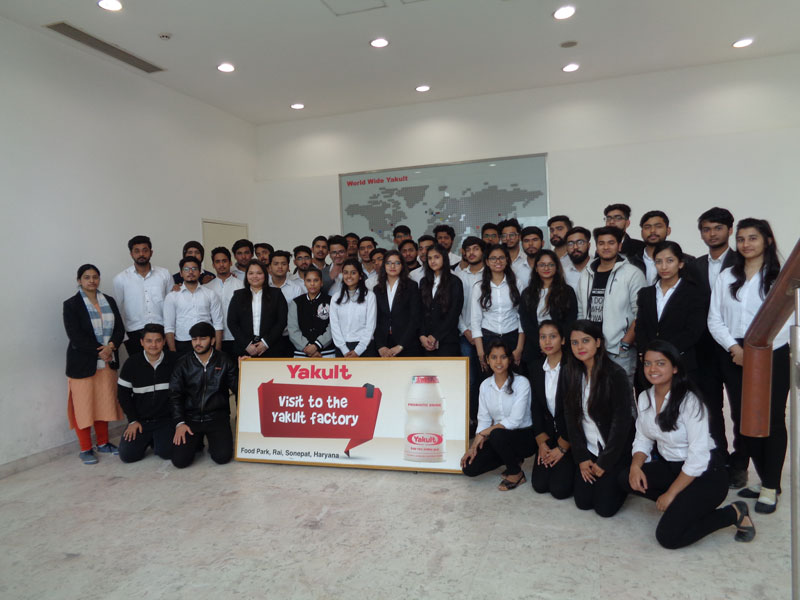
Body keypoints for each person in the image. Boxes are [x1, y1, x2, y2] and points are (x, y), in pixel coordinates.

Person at [622, 340, 755, 548]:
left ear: (675, 368)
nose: (652, 369)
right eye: (647, 363)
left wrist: (671, 494)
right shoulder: (645, 397)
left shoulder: (690, 401)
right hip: (673, 467)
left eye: (660, 363)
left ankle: (733, 513)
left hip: (706, 474)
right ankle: (683, 504)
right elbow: (643, 437)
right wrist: (635, 466)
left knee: (668, 537)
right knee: (625, 478)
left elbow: (697, 458)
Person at [708, 218, 791, 511]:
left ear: (767, 240)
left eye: (753, 238)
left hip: (772, 353)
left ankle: (770, 485)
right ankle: (766, 479)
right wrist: (734, 348)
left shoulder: (781, 278)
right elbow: (714, 318)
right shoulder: (727, 276)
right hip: (734, 353)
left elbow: (788, 320)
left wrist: (755, 353)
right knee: (745, 421)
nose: (746, 244)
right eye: (741, 239)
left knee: (772, 419)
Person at [686, 207, 738, 483]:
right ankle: (719, 459)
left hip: (735, 347)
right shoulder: (695, 266)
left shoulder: (742, 262)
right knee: (711, 408)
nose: (712, 234)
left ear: (730, 230)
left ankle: (740, 463)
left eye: (718, 228)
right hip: (704, 349)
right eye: (706, 229)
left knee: (740, 408)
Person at [562, 320, 634, 517]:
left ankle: (622, 477)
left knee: (604, 509)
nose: (580, 347)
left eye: (585, 341)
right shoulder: (569, 372)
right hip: (589, 449)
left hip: (613, 451)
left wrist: (605, 462)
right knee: (583, 502)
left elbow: (622, 424)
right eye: (575, 342)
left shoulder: (615, 374)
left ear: (598, 342)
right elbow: (570, 417)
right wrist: (582, 458)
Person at [63, 264, 125, 464]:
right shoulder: (71, 304)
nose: (92, 280)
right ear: (79, 280)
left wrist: (111, 347)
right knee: (83, 407)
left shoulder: (109, 301)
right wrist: (102, 350)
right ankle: (85, 448)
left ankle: (103, 443)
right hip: (83, 364)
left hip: (106, 364)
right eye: (87, 277)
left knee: (103, 403)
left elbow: (119, 328)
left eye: (95, 277)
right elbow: (75, 336)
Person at [461, 339, 535, 490]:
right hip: (499, 438)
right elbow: (483, 419)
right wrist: (473, 447)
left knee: (496, 434)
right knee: (469, 468)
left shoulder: (522, 383)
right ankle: (511, 459)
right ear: (487, 360)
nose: (499, 362)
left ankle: (516, 473)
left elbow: (514, 421)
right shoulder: (485, 385)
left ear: (510, 359)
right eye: (494, 357)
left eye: (503, 357)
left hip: (524, 437)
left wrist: (483, 434)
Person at [576, 226, 647, 383]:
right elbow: (581, 311)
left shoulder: (632, 273)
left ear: (619, 246)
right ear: (596, 246)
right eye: (601, 243)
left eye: (611, 243)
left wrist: (625, 343)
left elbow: (641, 313)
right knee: (594, 393)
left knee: (621, 394)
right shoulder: (587, 274)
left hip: (619, 351)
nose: (606, 247)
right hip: (591, 349)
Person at [635, 241, 706, 392]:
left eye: (670, 261)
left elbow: (693, 331)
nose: (664, 267)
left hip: (681, 362)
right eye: (658, 262)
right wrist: (645, 352)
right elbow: (640, 327)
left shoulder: (694, 293)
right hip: (650, 365)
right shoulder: (646, 293)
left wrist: (664, 353)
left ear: (680, 263)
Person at [170, 321, 238, 469]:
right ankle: (197, 441)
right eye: (194, 339)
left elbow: (238, 389)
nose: (198, 343)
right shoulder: (182, 363)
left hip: (217, 417)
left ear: (212, 340)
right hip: (191, 419)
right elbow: (175, 395)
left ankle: (209, 441)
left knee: (222, 457)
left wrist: (244, 368)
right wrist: (179, 423)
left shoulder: (225, 360)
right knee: (180, 461)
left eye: (202, 339)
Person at [117, 323, 177, 463]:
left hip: (166, 420)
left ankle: (157, 439)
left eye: (158, 340)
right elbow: (123, 395)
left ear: (164, 342)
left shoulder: (174, 360)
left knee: (167, 452)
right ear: (142, 342)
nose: (153, 345)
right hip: (141, 421)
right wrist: (132, 420)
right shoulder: (131, 363)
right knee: (128, 455)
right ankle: (151, 438)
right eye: (149, 341)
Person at [530, 321, 574, 499]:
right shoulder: (535, 367)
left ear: (562, 340)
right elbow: (535, 407)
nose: (547, 341)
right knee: (539, 485)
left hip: (570, 436)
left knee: (559, 490)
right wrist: (542, 442)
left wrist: (562, 447)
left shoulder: (573, 367)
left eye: (553, 336)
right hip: (548, 435)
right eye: (543, 337)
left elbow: (577, 412)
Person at [112, 235, 173, 355]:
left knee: (165, 364)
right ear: (131, 254)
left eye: (145, 250)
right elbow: (116, 310)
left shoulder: (164, 274)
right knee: (138, 366)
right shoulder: (120, 279)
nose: (141, 254)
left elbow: (172, 304)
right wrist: (124, 337)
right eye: (137, 251)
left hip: (162, 330)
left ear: (151, 252)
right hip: (134, 332)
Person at [520, 249, 577, 374]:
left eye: (551, 264)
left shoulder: (567, 291)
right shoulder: (527, 293)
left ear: (556, 267)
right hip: (535, 350)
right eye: (542, 265)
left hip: (561, 349)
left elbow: (570, 321)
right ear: (536, 268)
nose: (546, 268)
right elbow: (526, 323)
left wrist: (556, 343)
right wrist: (542, 343)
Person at [470, 244, 525, 372]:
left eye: (501, 257)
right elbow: (475, 320)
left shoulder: (517, 284)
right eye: (493, 258)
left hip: (512, 337)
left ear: (507, 260)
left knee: (514, 377)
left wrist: (519, 348)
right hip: (488, 338)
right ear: (487, 262)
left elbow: (522, 318)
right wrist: (480, 352)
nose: (497, 261)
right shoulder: (479, 287)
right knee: (490, 377)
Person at [227, 259, 288, 358]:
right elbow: (232, 322)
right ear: (247, 276)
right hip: (245, 349)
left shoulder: (276, 294)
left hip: (272, 348)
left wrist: (265, 343)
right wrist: (247, 345)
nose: (255, 276)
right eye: (251, 273)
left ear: (265, 275)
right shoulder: (238, 295)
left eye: (259, 273)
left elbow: (282, 321)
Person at [163, 257, 224, 355]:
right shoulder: (172, 296)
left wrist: (217, 349)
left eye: (194, 269)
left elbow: (218, 323)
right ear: (181, 273)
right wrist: (173, 352)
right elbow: (169, 327)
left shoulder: (210, 294)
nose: (190, 272)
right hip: (183, 343)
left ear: (200, 272)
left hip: (206, 342)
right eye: (186, 269)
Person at [457, 237, 486, 432]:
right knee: (470, 380)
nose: (472, 253)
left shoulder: (491, 273)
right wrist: (465, 330)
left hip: (487, 333)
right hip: (465, 334)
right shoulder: (458, 275)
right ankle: (471, 419)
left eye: (476, 249)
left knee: (487, 377)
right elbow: (454, 306)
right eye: (468, 250)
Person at [374, 250, 422, 357]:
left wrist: (401, 345)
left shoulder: (411, 286)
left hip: (407, 343)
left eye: (397, 263)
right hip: (384, 344)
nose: (392, 266)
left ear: (402, 266)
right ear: (384, 266)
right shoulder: (377, 289)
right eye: (388, 263)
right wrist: (380, 346)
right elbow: (375, 319)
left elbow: (415, 318)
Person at [419, 244, 464, 357]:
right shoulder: (424, 282)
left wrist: (436, 336)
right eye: (429, 258)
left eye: (436, 257)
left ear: (444, 258)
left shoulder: (454, 281)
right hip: (426, 342)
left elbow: (454, 313)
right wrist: (422, 335)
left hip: (447, 341)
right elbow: (420, 311)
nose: (432, 261)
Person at [329, 258, 377, 357]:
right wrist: (344, 349)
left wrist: (358, 350)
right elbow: (334, 325)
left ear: (360, 276)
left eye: (353, 273)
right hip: (342, 348)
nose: (349, 276)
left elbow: (371, 325)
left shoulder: (369, 296)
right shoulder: (336, 297)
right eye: (345, 273)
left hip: (365, 347)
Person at [204, 247, 244, 357]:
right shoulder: (206, 288)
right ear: (213, 265)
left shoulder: (242, 286)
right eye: (217, 262)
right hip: (214, 339)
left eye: (224, 261)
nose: (221, 265)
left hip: (237, 338)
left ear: (230, 262)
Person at [288, 267, 335, 357]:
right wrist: (308, 347)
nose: (312, 284)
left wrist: (317, 345)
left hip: (326, 353)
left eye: (316, 280)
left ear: (321, 282)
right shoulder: (296, 302)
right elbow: (293, 329)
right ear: (304, 283)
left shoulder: (331, 301)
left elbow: (332, 327)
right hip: (302, 353)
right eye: (308, 280)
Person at [268, 250, 305, 357]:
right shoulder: (264, 287)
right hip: (267, 338)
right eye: (276, 264)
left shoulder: (296, 289)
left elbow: (301, 315)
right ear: (270, 267)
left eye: (283, 264)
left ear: (288, 267)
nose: (280, 267)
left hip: (289, 337)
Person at [562, 227, 592, 294]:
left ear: (588, 245)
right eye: (570, 243)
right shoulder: (563, 272)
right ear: (566, 248)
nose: (575, 247)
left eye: (580, 242)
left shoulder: (599, 267)